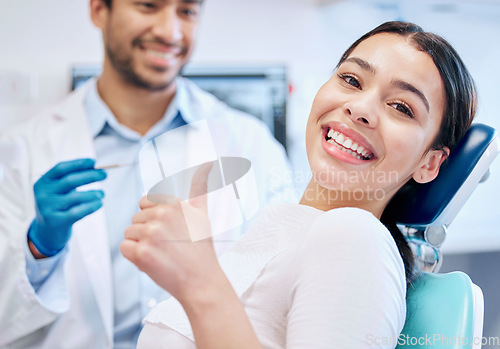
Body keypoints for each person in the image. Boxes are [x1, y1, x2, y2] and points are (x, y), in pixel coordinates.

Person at [122, 21, 477, 348]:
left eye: (401, 107)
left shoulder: (355, 237)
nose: (360, 108)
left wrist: (200, 282)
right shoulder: (278, 229)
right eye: (352, 80)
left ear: (429, 163)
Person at [0, 0, 294, 348]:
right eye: (148, 6)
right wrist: (38, 249)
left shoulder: (250, 144)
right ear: (99, 10)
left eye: (186, 12)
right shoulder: (24, 149)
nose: (169, 32)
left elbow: (282, 299)